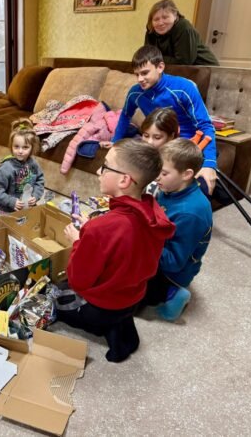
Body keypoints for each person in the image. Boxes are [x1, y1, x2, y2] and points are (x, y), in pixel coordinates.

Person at [57, 139, 175, 363]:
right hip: (133, 296)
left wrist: (78, 240)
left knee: (53, 294)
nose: (99, 170)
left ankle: (104, 324)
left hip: (103, 304)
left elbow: (79, 280)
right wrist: (93, 229)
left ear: (124, 179)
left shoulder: (99, 229)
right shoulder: (153, 213)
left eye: (106, 165)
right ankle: (120, 328)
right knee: (115, 304)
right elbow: (124, 240)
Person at [111, 45, 218, 195]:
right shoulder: (135, 92)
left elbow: (206, 125)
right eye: (137, 75)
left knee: (201, 185)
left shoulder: (184, 87)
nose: (140, 79)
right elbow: (125, 115)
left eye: (145, 73)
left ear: (160, 67)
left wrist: (209, 164)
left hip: (187, 146)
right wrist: (115, 142)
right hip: (158, 143)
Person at [142, 138, 212, 320]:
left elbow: (174, 262)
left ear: (187, 174)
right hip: (161, 249)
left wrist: (142, 238)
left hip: (173, 273)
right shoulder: (170, 190)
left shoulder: (190, 213)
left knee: (122, 282)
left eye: (163, 173)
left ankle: (171, 293)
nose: (157, 177)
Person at [0, 118, 45, 214]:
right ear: (11, 146)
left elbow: (39, 181)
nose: (20, 151)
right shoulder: (5, 168)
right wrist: (11, 201)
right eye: (16, 146)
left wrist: (35, 196)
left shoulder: (34, 164)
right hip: (7, 209)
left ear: (32, 148)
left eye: (25, 147)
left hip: (28, 207)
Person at [145, 0, 218, 66]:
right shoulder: (151, 30)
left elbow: (184, 62)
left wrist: (155, 59)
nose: (160, 23)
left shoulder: (183, 27)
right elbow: (147, 56)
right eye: (156, 19)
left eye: (165, 17)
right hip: (174, 70)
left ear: (175, 15)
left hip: (205, 70)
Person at [139, 107, 179, 196]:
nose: (149, 142)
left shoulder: (177, 163)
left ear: (171, 136)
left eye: (157, 137)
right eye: (146, 135)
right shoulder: (138, 156)